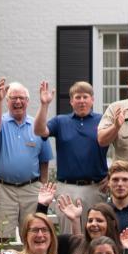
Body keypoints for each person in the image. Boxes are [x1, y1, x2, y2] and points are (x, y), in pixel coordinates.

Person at [0, 79, 52, 241]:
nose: (18, 101)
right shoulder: (0, 121)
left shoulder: (37, 125)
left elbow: (44, 161)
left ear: (28, 101)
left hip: (31, 189)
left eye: (22, 98)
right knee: (2, 237)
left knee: (32, 236)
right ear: (7, 101)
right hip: (4, 189)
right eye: (13, 98)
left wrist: (42, 187)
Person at [34, 80, 107, 215]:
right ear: (71, 101)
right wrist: (44, 105)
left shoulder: (103, 120)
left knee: (95, 231)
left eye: (85, 97)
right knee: (68, 235)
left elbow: (119, 145)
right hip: (66, 189)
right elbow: (39, 131)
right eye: (77, 97)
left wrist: (112, 174)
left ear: (92, 100)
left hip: (95, 189)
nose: (81, 101)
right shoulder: (60, 121)